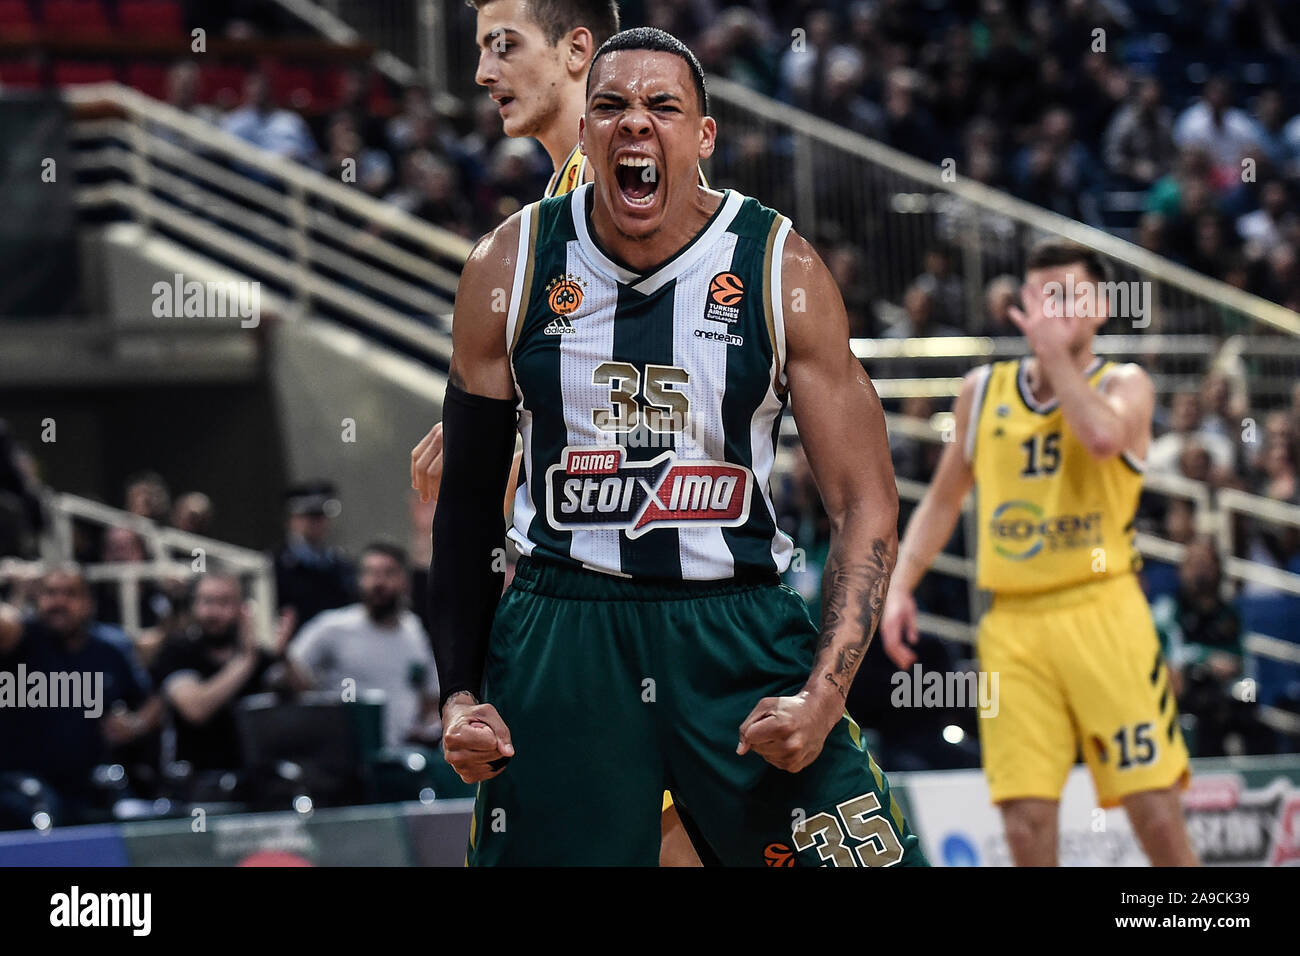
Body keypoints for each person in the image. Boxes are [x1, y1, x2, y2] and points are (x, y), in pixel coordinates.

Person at [428, 28, 925, 867]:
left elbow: (864, 500)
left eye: (663, 106)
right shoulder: (506, 267)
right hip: (563, 636)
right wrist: (458, 696)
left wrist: (823, 691)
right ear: (583, 134)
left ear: (703, 138)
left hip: (735, 629)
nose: (635, 124)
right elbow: (470, 502)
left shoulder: (781, 268)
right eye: (611, 106)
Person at [409, 0, 705, 866]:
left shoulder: (600, 188)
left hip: (634, 593)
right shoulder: (561, 196)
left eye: (505, 46)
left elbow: (644, 413)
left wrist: (485, 475)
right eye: (479, 50)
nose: (483, 72)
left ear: (579, 51)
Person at [881, 239, 1197, 866]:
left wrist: (1055, 358)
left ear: (1102, 305)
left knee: (1156, 815)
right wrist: (899, 585)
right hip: (1013, 626)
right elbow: (943, 501)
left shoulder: (1127, 384)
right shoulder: (982, 389)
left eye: (1066, 295)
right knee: (1024, 823)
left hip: (1104, 613)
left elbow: (1102, 437)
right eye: (1038, 296)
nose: (1050, 310)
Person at [0, 565, 160, 827]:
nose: (58, 602)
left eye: (70, 593)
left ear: (88, 603)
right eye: (50, 593)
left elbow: (152, 702)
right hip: (18, 786)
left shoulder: (109, 649)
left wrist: (135, 725)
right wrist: (18, 592)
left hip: (89, 784)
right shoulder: (19, 640)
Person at [288, 542, 442, 750]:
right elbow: (295, 671)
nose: (378, 582)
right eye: (371, 573)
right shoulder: (332, 627)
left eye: (388, 573)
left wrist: (429, 726)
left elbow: (430, 697)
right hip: (346, 755)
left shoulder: (415, 632)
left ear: (405, 581)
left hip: (402, 757)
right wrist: (281, 655)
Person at [150, 573, 299, 774]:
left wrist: (284, 656)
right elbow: (196, 709)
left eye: (225, 602)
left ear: (243, 609)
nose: (214, 612)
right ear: (194, 605)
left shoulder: (258, 656)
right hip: (195, 781)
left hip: (256, 777)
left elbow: (301, 695)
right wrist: (244, 662)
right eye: (207, 601)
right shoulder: (177, 651)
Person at [273, 480, 356, 633]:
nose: (317, 522)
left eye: (322, 516)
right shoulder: (275, 567)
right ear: (291, 519)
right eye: (310, 516)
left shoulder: (342, 566)